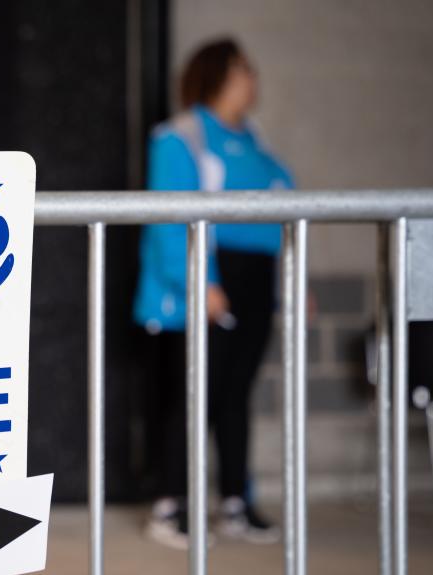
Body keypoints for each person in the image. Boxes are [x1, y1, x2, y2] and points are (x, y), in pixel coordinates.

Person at [134, 38, 292, 549]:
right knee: (195, 394)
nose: (254, 79)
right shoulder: (182, 137)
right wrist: (202, 282)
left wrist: (296, 282)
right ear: (219, 74)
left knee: (234, 395)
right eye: (245, 69)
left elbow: (286, 208)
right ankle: (171, 504)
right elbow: (171, 219)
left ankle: (234, 502)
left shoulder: (256, 139)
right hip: (209, 279)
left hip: (256, 278)